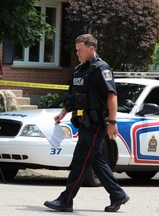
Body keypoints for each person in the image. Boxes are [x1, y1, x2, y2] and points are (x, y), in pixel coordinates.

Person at [44, 34, 129, 212]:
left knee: (80, 160)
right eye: (76, 50)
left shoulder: (101, 69)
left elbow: (112, 95)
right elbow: (74, 97)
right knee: (95, 160)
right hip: (83, 123)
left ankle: (66, 200)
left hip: (97, 124)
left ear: (91, 49)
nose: (77, 53)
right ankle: (118, 194)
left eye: (80, 50)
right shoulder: (79, 70)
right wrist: (63, 112)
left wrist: (112, 122)